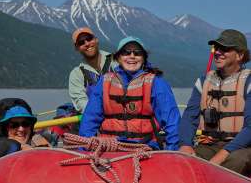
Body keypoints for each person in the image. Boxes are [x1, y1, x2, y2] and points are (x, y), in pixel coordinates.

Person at [79, 36, 180, 150]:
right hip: (109, 148)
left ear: (143, 58)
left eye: (137, 53)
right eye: (126, 52)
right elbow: (90, 119)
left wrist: (172, 151)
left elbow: (172, 121)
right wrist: (84, 150)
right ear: (118, 57)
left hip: (146, 148)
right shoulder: (104, 82)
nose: (132, 56)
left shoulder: (156, 83)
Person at [179, 29, 251, 176]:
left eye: (224, 49)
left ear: (240, 55)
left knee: (236, 161)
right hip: (209, 144)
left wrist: (222, 155)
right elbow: (189, 118)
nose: (218, 52)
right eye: (216, 48)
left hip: (243, 147)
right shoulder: (204, 81)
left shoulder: (249, 82)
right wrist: (185, 144)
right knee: (183, 160)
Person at [0, 98, 50, 169]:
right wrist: (5, 149)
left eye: (25, 124)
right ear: (4, 128)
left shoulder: (42, 145)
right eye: (14, 125)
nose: (21, 129)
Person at [69, 27, 116, 112]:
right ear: (76, 48)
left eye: (89, 39)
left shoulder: (117, 61)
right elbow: (81, 102)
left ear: (96, 40)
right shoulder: (76, 74)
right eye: (81, 42)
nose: (87, 43)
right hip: (97, 119)